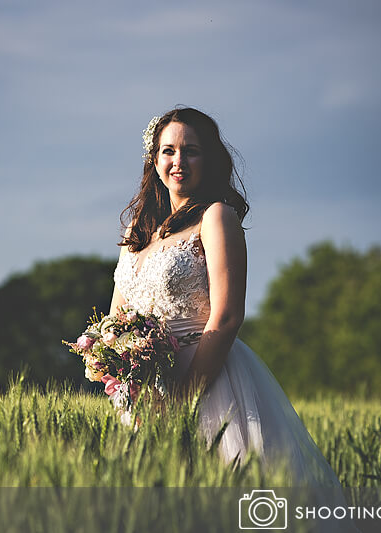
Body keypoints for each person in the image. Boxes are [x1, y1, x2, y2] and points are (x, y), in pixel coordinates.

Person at [109, 107, 342, 488]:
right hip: (144, 391)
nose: (178, 161)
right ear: (154, 160)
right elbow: (116, 317)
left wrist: (185, 399)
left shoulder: (217, 217)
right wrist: (120, 372)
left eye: (192, 150)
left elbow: (228, 316)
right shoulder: (139, 229)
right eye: (168, 151)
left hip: (207, 380)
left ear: (210, 159)